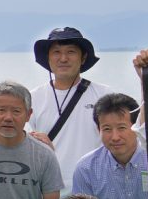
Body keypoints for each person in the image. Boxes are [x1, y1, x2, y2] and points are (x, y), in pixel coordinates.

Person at [28, 26, 126, 187]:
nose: (63, 58)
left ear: (83, 57)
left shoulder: (104, 95)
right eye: (56, 52)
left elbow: (126, 136)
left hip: (96, 186)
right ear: (48, 58)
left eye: (71, 52)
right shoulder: (32, 98)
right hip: (49, 188)